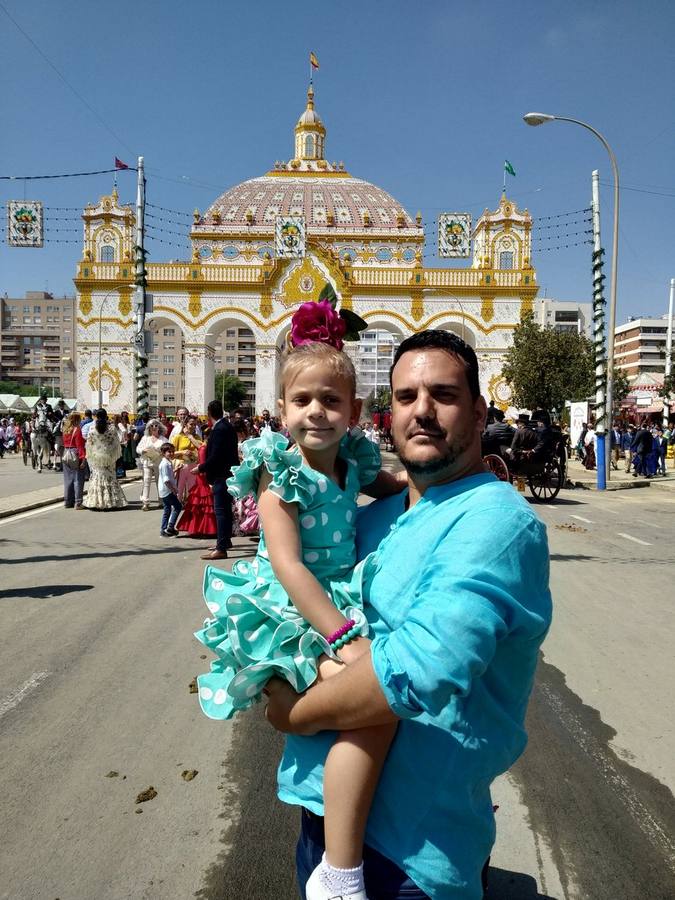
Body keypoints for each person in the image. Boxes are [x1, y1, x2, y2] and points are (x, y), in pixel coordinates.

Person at [264, 329, 552, 900]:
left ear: (477, 411)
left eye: (442, 394)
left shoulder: (495, 522)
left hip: (414, 854)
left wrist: (291, 714)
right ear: (386, 414)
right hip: (319, 819)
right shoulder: (371, 516)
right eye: (405, 396)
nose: (421, 411)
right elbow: (294, 603)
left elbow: (413, 673)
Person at [195, 332, 404, 900]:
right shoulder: (277, 471)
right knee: (374, 702)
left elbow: (398, 487)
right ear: (282, 408)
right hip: (292, 607)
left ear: (354, 411)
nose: (317, 411)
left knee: (374, 708)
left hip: (336, 596)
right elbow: (287, 565)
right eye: (303, 400)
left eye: (332, 400)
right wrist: (341, 634)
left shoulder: (355, 463)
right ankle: (339, 872)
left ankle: (291, 716)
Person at [196, 399, 239, 561]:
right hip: (226, 473)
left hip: (221, 475)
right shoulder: (226, 426)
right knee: (225, 511)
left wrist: (201, 467)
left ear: (209, 413)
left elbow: (216, 456)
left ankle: (221, 548)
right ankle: (225, 541)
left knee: (221, 511)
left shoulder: (220, 429)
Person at [83, 409, 128, 510]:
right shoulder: (111, 428)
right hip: (109, 457)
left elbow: (89, 443)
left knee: (97, 477)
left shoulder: (92, 428)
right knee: (110, 477)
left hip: (97, 457)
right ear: (106, 416)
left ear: (96, 416)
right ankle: (112, 501)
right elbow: (116, 443)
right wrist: (111, 452)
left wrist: (92, 454)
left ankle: (96, 502)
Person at [176, 433, 218, 538]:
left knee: (201, 502)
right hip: (203, 476)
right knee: (204, 502)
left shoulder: (204, 448)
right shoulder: (206, 448)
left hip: (202, 475)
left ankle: (202, 528)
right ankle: (205, 528)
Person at [137, 419, 166, 510]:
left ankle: (161, 501)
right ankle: (145, 502)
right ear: (148, 428)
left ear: (159, 427)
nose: (153, 427)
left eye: (156, 425)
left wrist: (162, 452)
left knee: (159, 482)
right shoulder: (145, 438)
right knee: (146, 481)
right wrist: (143, 450)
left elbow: (168, 449)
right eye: (151, 426)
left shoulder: (163, 439)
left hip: (158, 462)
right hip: (147, 462)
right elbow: (138, 448)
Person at [61, 412, 86, 509]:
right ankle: (78, 502)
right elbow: (79, 446)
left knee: (68, 479)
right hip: (75, 454)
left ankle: (67, 501)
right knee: (78, 479)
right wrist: (83, 458)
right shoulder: (77, 430)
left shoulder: (65, 430)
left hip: (66, 453)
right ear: (77, 420)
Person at [158, 442, 182, 536]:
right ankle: (170, 527)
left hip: (165, 490)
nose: (171, 453)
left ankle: (164, 529)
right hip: (167, 490)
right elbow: (166, 480)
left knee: (167, 509)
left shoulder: (167, 462)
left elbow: (169, 475)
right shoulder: (165, 464)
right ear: (163, 453)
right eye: (169, 452)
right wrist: (173, 489)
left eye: (173, 451)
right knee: (178, 507)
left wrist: (177, 469)